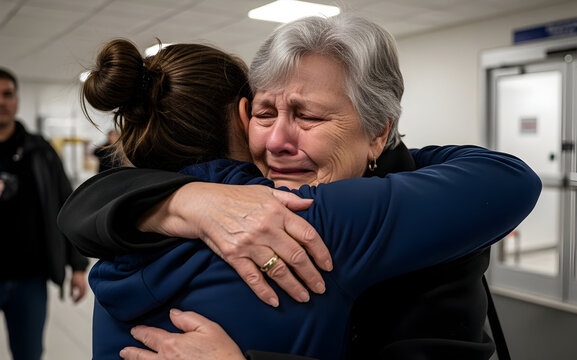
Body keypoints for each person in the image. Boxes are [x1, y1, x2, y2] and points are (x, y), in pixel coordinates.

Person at [58, 17, 540, 360]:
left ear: (378, 131)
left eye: (309, 116)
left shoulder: (436, 228)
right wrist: (187, 200)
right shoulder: (288, 210)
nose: (278, 141)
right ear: (243, 118)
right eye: (266, 114)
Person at [0, 67, 89, 360]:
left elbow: (67, 205)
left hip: (30, 277)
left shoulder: (40, 151)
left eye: (7, 94)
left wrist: (77, 266)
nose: (2, 101)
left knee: (29, 353)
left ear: (17, 100)